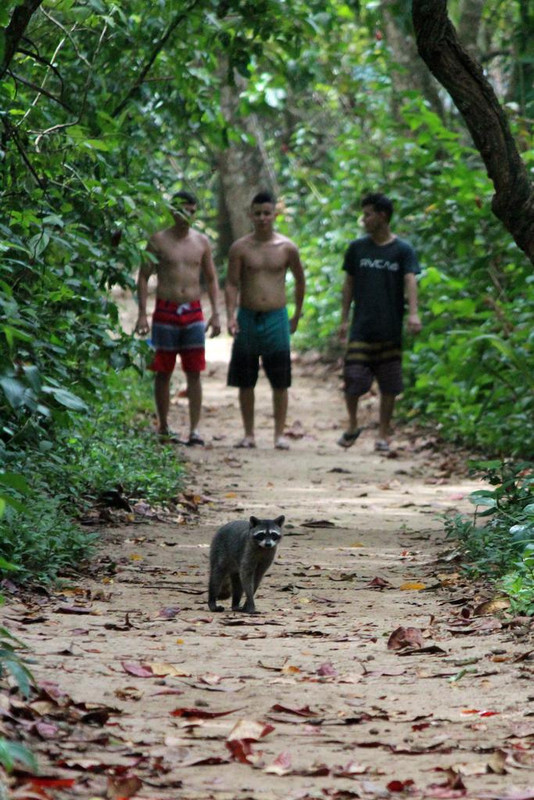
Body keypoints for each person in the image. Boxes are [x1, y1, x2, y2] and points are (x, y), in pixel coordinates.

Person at [338, 192, 422, 453]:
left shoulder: (403, 250)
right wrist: (343, 319)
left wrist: (413, 314)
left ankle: (383, 434)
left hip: (390, 328)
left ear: (382, 216)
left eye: (368, 214)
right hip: (361, 327)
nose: (364, 219)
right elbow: (349, 283)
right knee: (353, 379)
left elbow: (410, 280)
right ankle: (352, 425)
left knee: (389, 384)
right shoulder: (357, 248)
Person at [135, 190, 221, 445]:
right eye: (183, 210)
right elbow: (143, 275)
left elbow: (212, 278)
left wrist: (216, 313)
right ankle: (163, 426)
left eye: (193, 211)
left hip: (193, 310)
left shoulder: (201, 242)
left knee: (194, 371)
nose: (188, 216)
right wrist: (142, 314)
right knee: (163, 370)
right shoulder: (158, 241)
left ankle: (194, 430)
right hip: (165, 310)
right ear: (172, 211)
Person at [225, 190, 306, 450]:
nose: (262, 218)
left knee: (280, 379)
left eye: (267, 213)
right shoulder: (240, 248)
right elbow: (232, 284)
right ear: (250, 215)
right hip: (247, 316)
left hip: (276, 316)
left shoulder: (287, 248)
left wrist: (296, 314)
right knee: (245, 378)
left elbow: (300, 281)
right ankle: (249, 434)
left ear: (275, 215)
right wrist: (230, 316)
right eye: (257, 213)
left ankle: (279, 435)